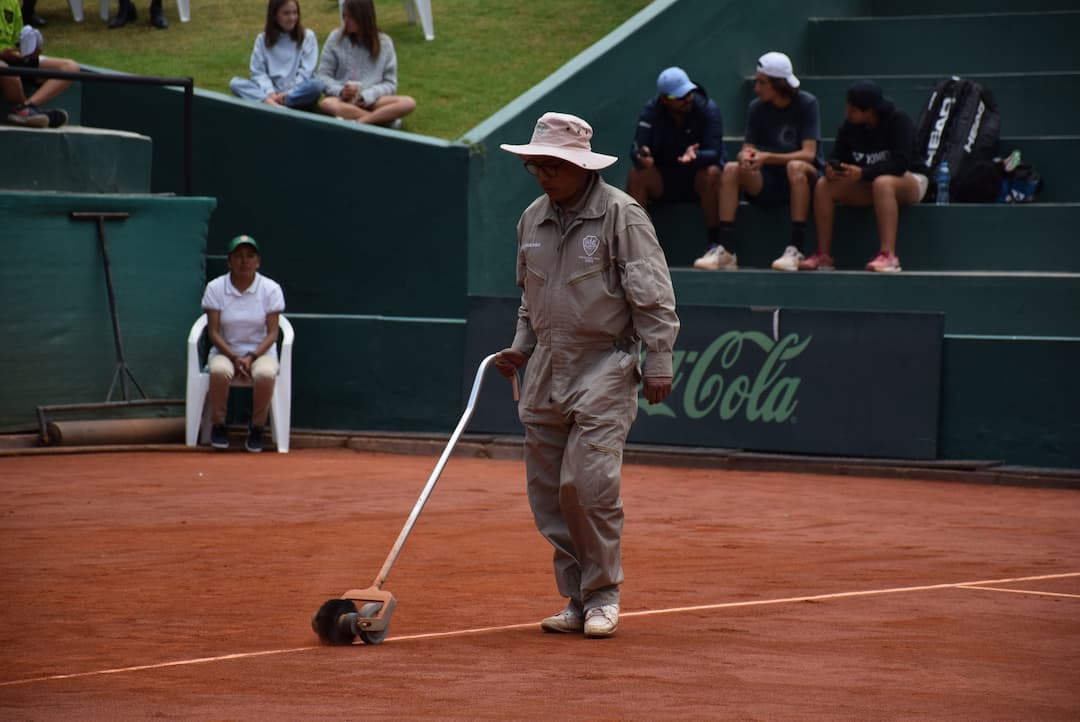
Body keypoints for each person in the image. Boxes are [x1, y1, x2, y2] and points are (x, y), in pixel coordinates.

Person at [495, 112, 680, 638]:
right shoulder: (531, 218)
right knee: (550, 495)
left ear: (582, 167)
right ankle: (575, 597)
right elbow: (529, 301)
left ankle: (603, 594)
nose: (542, 174)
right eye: (537, 166)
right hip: (545, 367)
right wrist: (520, 349)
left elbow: (653, 296)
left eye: (553, 166)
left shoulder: (624, 216)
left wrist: (658, 360)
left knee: (588, 485)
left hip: (606, 363)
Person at [694, 51, 822, 271]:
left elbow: (809, 153)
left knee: (795, 166)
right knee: (733, 168)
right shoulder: (756, 107)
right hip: (767, 182)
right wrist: (747, 157)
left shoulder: (807, 103)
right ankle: (726, 249)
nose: (756, 88)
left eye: (762, 83)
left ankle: (796, 248)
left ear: (778, 84)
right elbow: (748, 148)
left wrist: (767, 157)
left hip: (802, 179)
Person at [800, 80, 928, 273]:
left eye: (853, 108)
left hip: (910, 180)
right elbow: (837, 155)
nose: (848, 111)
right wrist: (832, 168)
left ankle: (888, 255)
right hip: (869, 182)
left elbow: (901, 164)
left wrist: (864, 172)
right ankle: (824, 255)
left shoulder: (899, 121)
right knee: (824, 185)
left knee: (883, 183)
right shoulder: (849, 127)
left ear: (869, 111)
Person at [200, 235, 286, 453]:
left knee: (266, 375)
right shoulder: (215, 287)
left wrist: (251, 357)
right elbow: (213, 332)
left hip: (261, 353)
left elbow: (273, 333)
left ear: (258, 261)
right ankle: (219, 425)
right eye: (238, 257)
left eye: (250, 256)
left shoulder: (271, 289)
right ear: (229, 262)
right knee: (218, 371)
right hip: (225, 351)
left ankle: (257, 428)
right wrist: (235, 357)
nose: (244, 261)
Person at [626, 66, 725, 255]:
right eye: (680, 97)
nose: (687, 99)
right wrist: (642, 156)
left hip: (697, 179)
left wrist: (696, 156)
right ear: (665, 99)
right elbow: (636, 149)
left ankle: (715, 244)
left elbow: (715, 152)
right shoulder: (651, 111)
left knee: (712, 173)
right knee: (637, 174)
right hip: (665, 181)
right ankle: (636, 247)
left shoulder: (708, 109)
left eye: (689, 93)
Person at [315, 0, 415, 128]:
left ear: (364, 16)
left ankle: (360, 122)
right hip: (342, 100)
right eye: (344, 15)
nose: (346, 20)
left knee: (408, 102)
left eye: (350, 17)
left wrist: (366, 96)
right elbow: (322, 76)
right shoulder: (335, 38)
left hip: (373, 100)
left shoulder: (384, 42)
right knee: (326, 103)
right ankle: (382, 119)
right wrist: (341, 91)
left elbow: (390, 84)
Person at [229, 0, 322, 110]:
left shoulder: (307, 36)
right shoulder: (262, 40)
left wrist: (288, 93)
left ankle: (275, 104)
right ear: (274, 15)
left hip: (295, 93)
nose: (292, 18)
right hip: (271, 92)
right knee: (235, 83)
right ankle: (273, 105)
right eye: (286, 13)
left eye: (295, 12)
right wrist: (270, 92)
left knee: (316, 85)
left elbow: (306, 72)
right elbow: (258, 73)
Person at [1, 0, 77, 128]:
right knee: (7, 72)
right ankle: (26, 112)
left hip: (11, 59)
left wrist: (29, 52)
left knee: (70, 67)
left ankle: (27, 107)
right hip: (3, 63)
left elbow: (16, 41)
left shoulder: (11, 2)